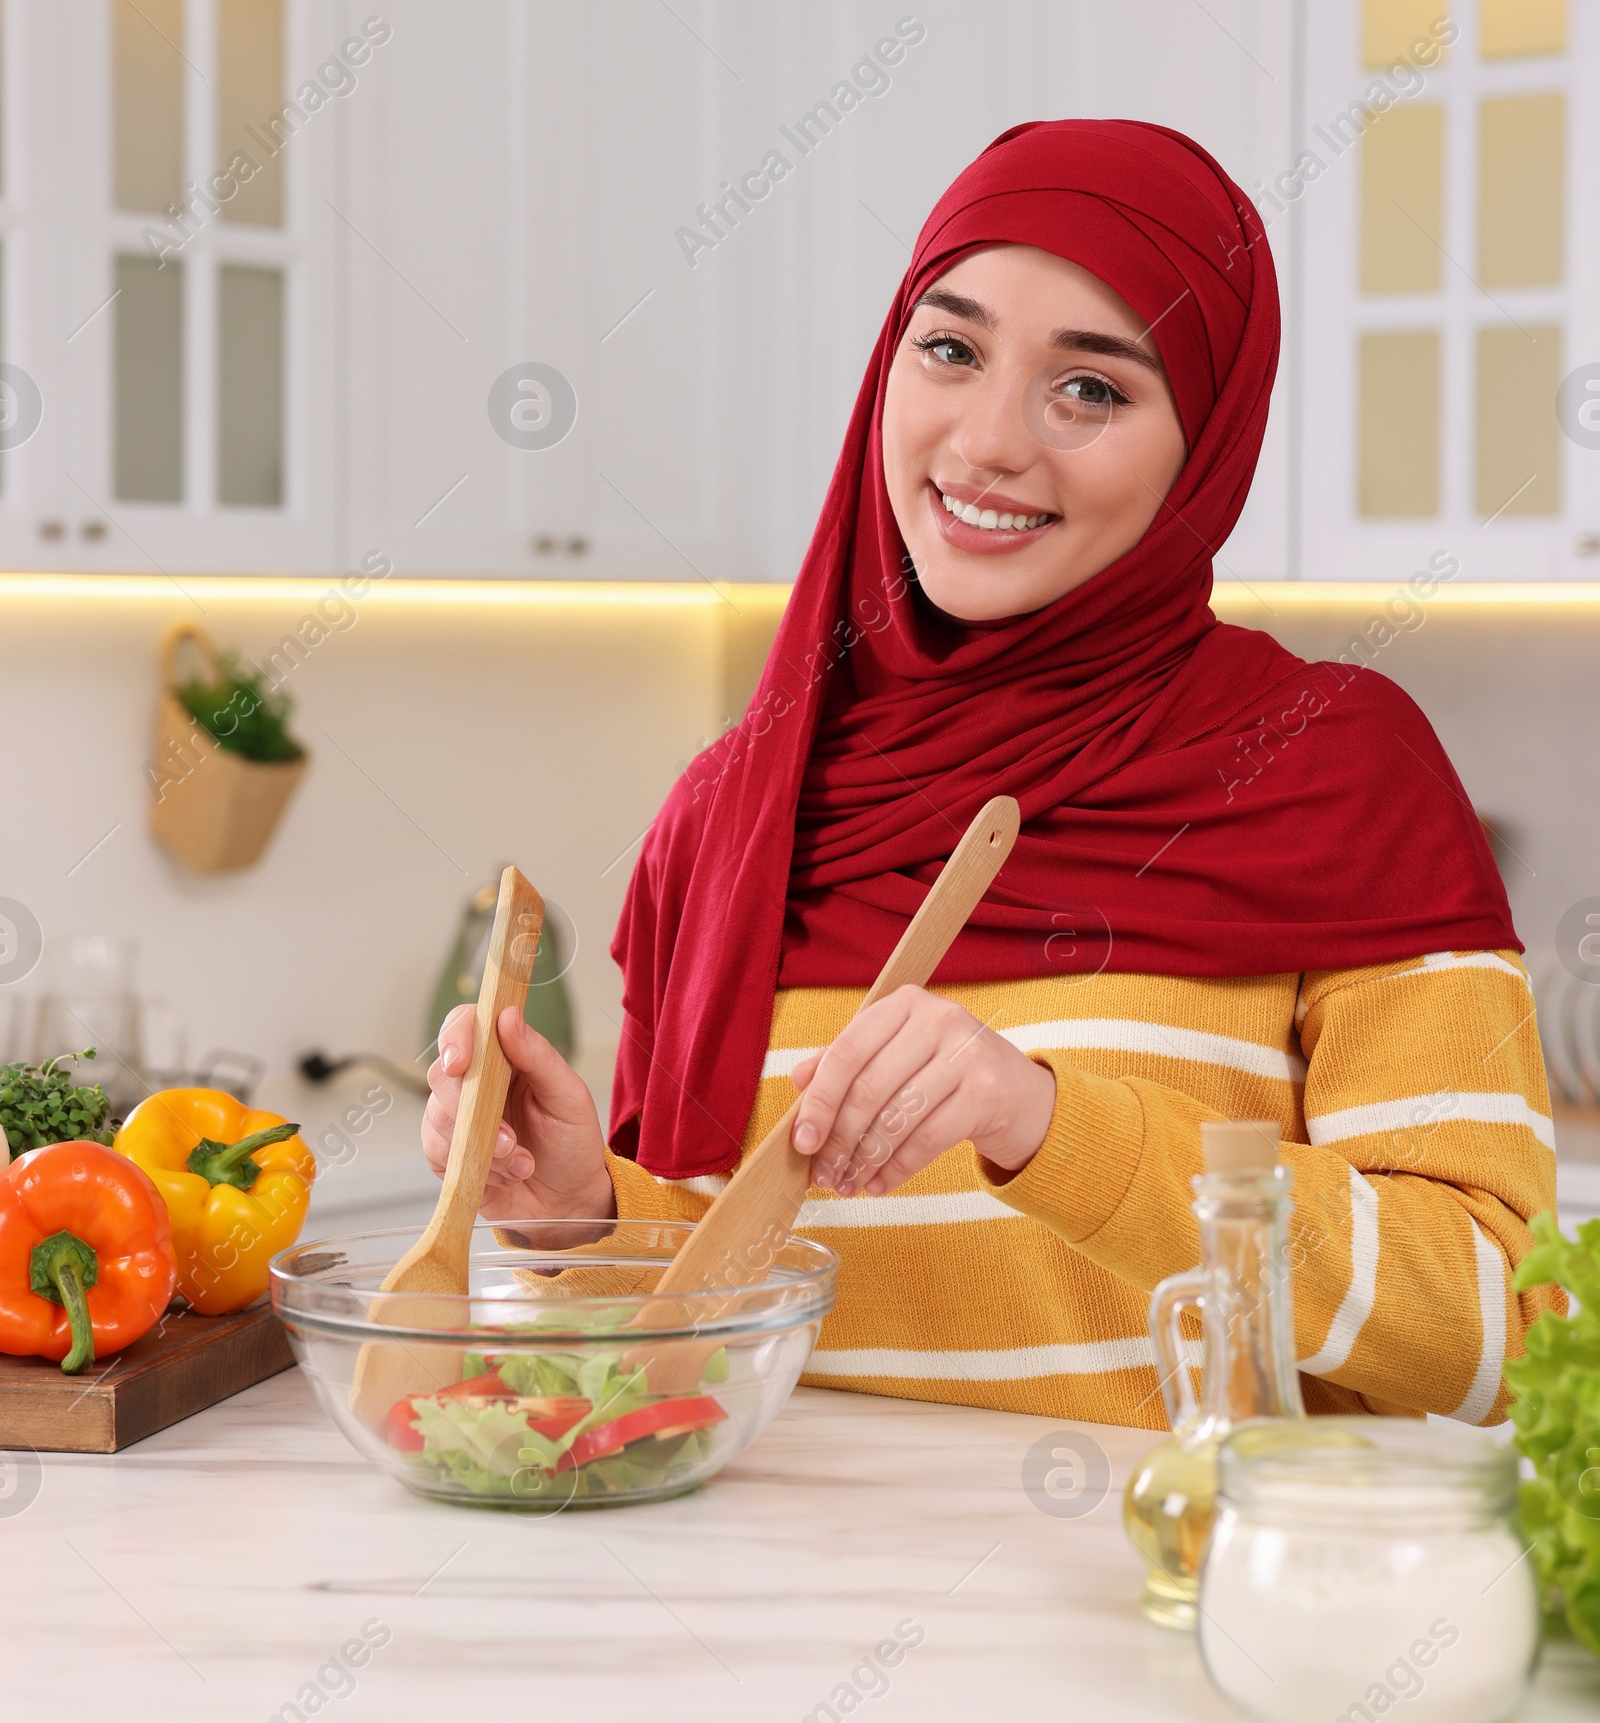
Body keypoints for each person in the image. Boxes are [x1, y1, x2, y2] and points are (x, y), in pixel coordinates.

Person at [423, 119, 1557, 1427]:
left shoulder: (1333, 766)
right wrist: (587, 1219)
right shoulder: (731, 811)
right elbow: (710, 1340)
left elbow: (1501, 1330)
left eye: (1092, 388)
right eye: (950, 349)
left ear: (1207, 443)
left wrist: (1051, 1126)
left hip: (1180, 1603)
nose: (987, 444)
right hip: (769, 1607)